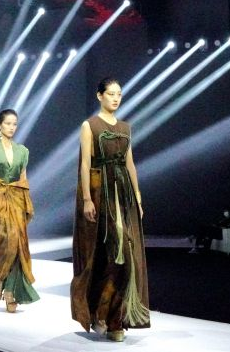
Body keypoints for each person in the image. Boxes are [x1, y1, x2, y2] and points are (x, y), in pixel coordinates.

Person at [71, 77, 150, 342]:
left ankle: (114, 318)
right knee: (109, 255)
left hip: (124, 194)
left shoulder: (126, 128)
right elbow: (85, 164)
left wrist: (138, 197)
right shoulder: (90, 125)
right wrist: (87, 199)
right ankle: (101, 313)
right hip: (101, 193)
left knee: (126, 256)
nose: (116, 98)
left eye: (119, 94)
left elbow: (130, 164)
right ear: (100, 96)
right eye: (111, 93)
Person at [0, 109, 39, 313]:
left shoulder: (22, 151)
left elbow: (23, 180)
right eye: (7, 123)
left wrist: (26, 204)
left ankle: (9, 293)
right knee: (4, 245)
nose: (11, 127)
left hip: (16, 201)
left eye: (14, 124)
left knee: (18, 245)